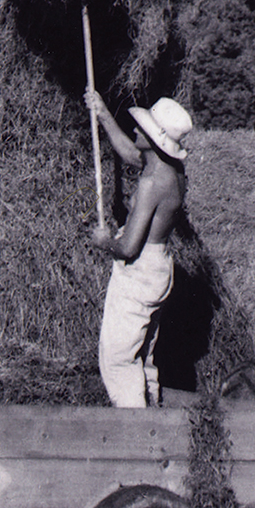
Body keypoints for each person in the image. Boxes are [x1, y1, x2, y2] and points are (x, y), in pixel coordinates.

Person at [86, 90, 193, 408]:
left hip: (139, 270)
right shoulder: (172, 173)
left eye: (141, 129)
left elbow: (129, 247)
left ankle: (136, 439)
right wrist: (102, 113)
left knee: (119, 361)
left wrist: (104, 240)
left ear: (155, 139)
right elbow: (133, 155)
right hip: (159, 267)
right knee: (144, 358)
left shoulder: (149, 185)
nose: (135, 130)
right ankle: (154, 422)